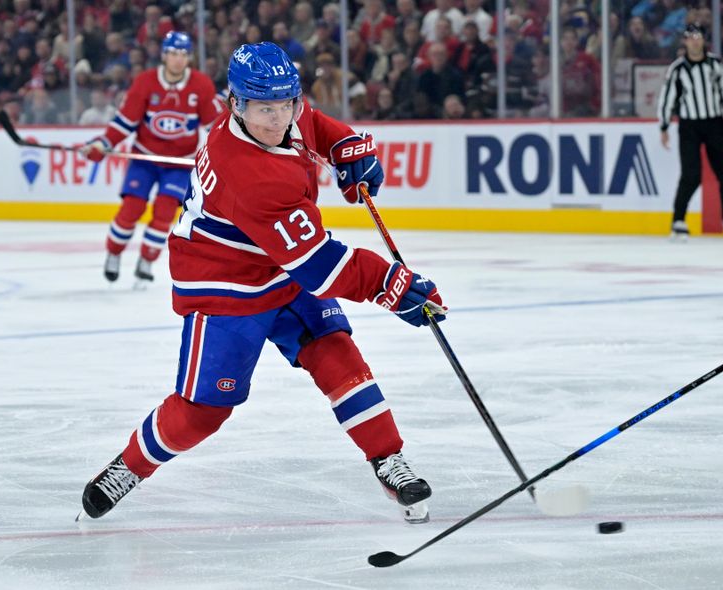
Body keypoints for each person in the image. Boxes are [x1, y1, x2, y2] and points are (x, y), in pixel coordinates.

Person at [79, 42, 447, 525]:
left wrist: (348, 151)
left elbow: (315, 125)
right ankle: (129, 466)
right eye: (264, 109)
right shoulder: (249, 172)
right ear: (236, 105)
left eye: (286, 104)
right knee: (202, 413)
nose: (279, 120)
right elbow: (320, 267)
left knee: (333, 347)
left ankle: (386, 458)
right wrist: (392, 285)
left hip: (280, 262)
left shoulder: (284, 110)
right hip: (224, 283)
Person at [81, 32, 224, 283]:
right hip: (144, 158)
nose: (178, 60)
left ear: (188, 57)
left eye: (183, 55)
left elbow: (213, 125)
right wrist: (103, 143)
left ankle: (147, 260)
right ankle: (113, 253)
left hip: (179, 163)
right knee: (132, 208)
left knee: (165, 211)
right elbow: (126, 122)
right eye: (173, 54)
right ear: (164, 55)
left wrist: (230, 148)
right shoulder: (145, 82)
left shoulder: (201, 85)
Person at [657, 23, 723, 239]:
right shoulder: (677, 69)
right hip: (689, 126)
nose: (695, 41)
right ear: (685, 41)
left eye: (698, 37)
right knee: (691, 175)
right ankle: (678, 220)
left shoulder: (715, 64)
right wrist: (664, 125)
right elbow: (667, 98)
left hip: (714, 122)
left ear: (704, 40)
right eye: (691, 37)